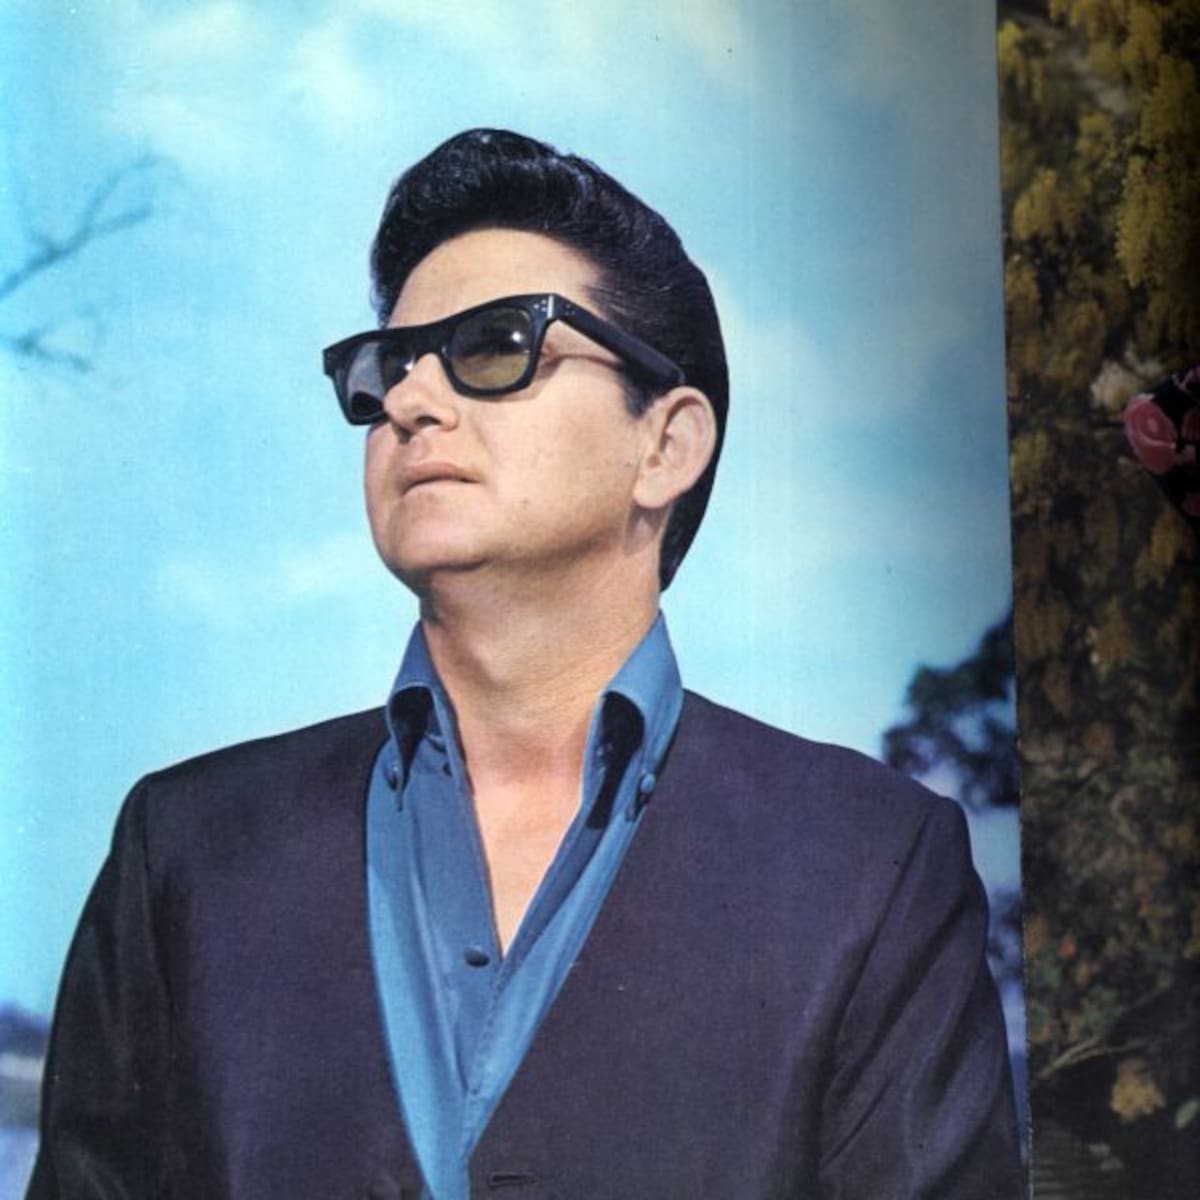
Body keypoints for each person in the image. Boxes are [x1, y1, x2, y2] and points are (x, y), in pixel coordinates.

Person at [28, 129, 1023, 1199]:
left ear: (667, 445)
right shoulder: (186, 849)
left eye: (496, 344)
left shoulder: (870, 861)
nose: (410, 400)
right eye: (388, 366)